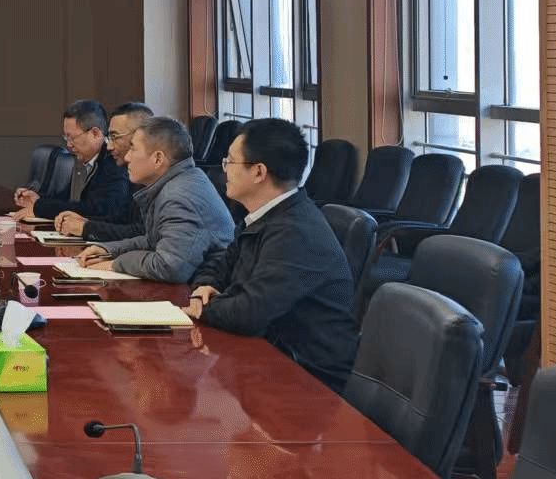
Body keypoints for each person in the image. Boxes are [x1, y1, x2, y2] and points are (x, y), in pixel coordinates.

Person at [183, 118, 359, 393]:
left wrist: (204, 307)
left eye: (230, 161)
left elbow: (249, 312)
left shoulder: (296, 232)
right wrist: (204, 287)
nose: (224, 169)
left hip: (305, 379)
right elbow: (220, 265)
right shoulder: (263, 215)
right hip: (266, 355)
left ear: (259, 172)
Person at [76, 117, 235, 283]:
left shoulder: (178, 196)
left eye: (133, 149)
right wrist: (108, 250)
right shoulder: (181, 180)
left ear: (158, 159)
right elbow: (154, 240)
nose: (127, 157)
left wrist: (116, 264)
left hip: (205, 289)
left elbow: (170, 267)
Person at [11, 99, 132, 225]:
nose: (69, 145)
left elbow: (98, 210)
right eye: (66, 138)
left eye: (72, 138)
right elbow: (75, 204)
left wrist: (41, 207)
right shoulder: (87, 161)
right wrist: (38, 202)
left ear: (95, 133)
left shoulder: (115, 163)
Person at [55, 101, 152, 240]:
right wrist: (85, 222)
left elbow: (144, 235)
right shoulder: (137, 176)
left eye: (115, 137)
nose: (109, 146)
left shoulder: (166, 185)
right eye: (109, 137)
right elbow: (121, 220)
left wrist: (86, 228)